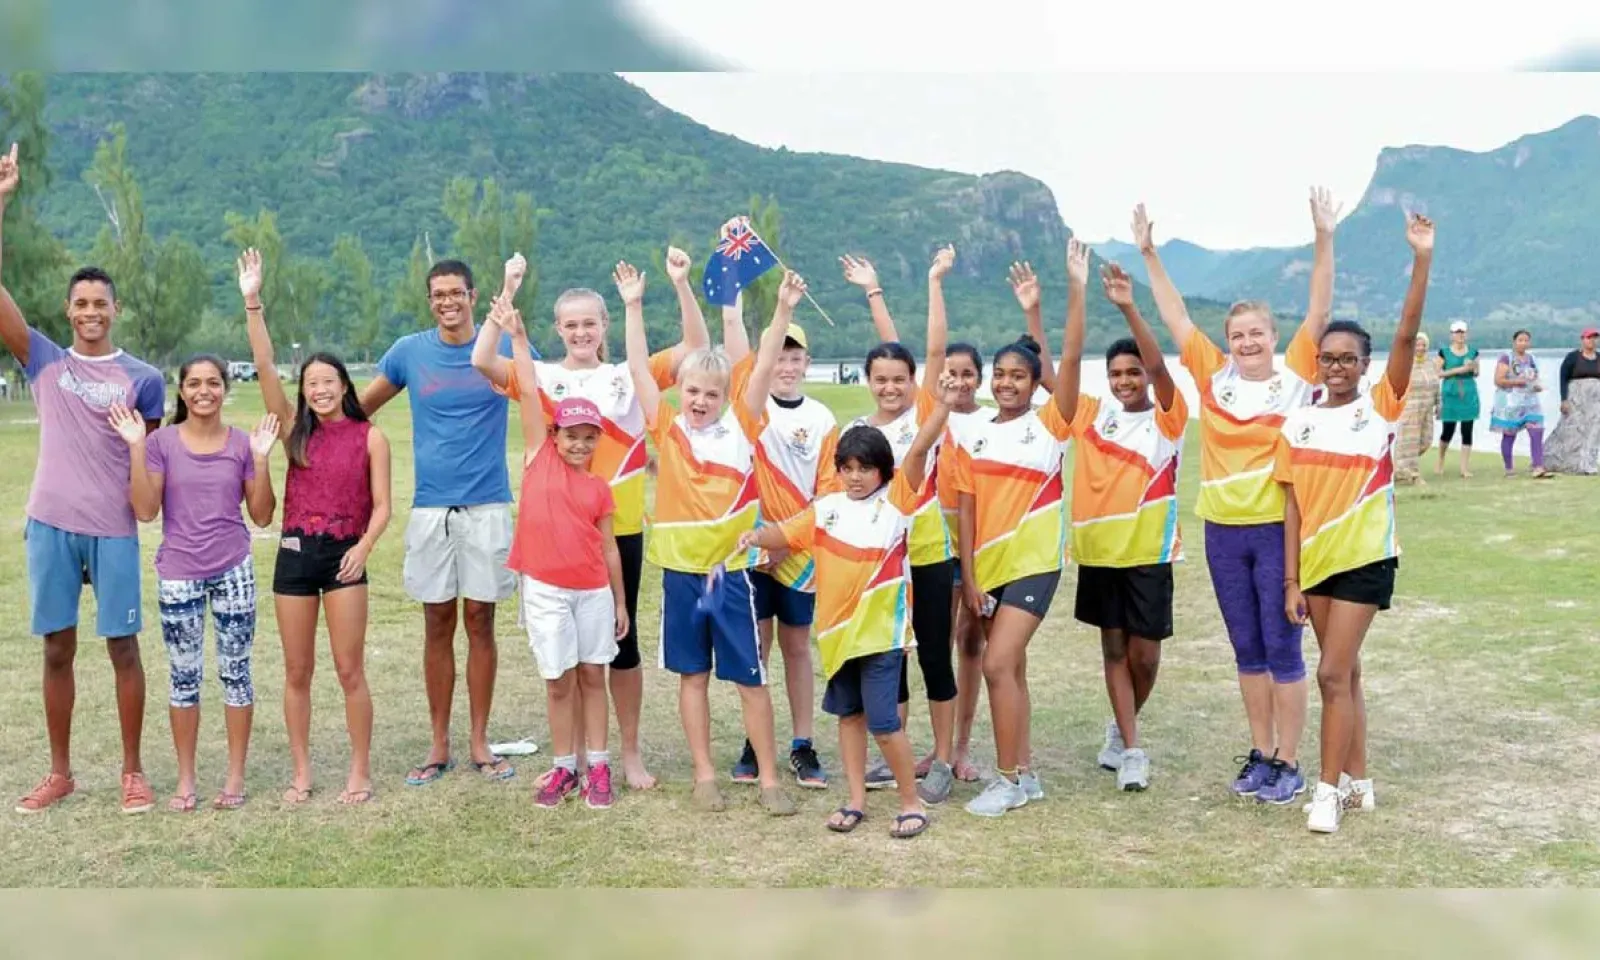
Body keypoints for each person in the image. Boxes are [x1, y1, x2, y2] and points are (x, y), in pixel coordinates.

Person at [476, 248, 709, 792]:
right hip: (560, 539)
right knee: (572, 652)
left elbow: (696, 349)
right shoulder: (541, 375)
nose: (581, 332)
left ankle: (627, 753)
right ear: (558, 329)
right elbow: (483, 360)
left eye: (590, 323)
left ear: (605, 325)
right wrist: (508, 290)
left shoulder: (629, 373)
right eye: (570, 324)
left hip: (617, 528)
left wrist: (680, 285)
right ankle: (577, 755)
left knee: (619, 646)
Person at [1136, 189, 1337, 800]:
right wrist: (1149, 255)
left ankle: (1289, 761)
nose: (1247, 342)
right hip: (1222, 532)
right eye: (1238, 334)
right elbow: (1175, 316)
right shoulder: (1213, 374)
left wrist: (1323, 237)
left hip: (1278, 531)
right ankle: (1261, 752)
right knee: (1246, 648)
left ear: (1274, 337)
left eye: (1256, 333)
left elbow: (1320, 310)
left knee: (1283, 646)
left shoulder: (1296, 375)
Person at [3, 142, 166, 815]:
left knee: (123, 646)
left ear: (115, 309)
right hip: (51, 524)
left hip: (112, 528)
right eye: (81, 302)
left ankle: (133, 771)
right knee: (57, 648)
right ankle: (60, 773)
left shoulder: (145, 379)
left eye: (101, 302)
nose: (91, 311)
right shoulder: (43, 359)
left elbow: (146, 470)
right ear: (68, 311)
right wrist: (1, 201)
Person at [737, 377, 957, 839]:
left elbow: (919, 450)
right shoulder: (827, 508)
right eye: (847, 467)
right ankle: (856, 799)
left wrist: (942, 406)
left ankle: (911, 802)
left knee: (884, 724)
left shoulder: (897, 504)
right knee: (849, 718)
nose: (855, 477)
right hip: (839, 638)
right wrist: (756, 536)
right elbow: (786, 533)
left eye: (866, 468)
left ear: (884, 471)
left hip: (880, 637)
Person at [620, 258, 798, 817]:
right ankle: (704, 775)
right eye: (691, 390)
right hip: (681, 576)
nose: (699, 401)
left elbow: (764, 363)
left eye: (710, 394)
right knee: (692, 676)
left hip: (733, 576)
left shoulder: (743, 422)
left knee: (751, 680)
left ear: (726, 396)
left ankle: (769, 779)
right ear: (680, 390)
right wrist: (632, 305)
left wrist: (783, 309)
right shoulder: (667, 426)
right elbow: (637, 368)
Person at [1278, 211, 1433, 833]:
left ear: (1366, 365)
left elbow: (1407, 333)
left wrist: (1421, 258)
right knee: (1347, 675)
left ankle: (1326, 793)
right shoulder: (1298, 423)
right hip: (1315, 566)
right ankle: (1360, 782)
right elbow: (1292, 505)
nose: (1337, 366)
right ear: (1317, 363)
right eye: (1328, 358)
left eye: (1349, 359)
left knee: (1330, 673)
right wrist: (1291, 580)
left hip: (1366, 559)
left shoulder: (1381, 409)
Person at [241, 248, 392, 807]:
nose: (320, 389)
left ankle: (360, 770)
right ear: (303, 390)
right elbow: (264, 366)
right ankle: (301, 772)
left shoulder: (370, 436)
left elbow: (384, 505)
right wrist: (253, 302)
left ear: (344, 385)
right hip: (295, 558)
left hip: (346, 558)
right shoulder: (293, 430)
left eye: (329, 381)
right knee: (296, 670)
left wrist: (365, 547)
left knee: (350, 670)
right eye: (311, 383)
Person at [362, 259, 519, 788]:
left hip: (488, 504)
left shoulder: (503, 345)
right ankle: (438, 742)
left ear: (473, 296)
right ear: (430, 301)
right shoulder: (409, 351)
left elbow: (547, 397)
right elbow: (359, 411)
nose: (447, 301)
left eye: (456, 292)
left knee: (480, 619)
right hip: (431, 507)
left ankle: (479, 740)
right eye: (438, 294)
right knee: (437, 621)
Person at [946, 240, 1085, 819]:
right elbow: (967, 512)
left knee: (998, 664)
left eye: (1018, 376)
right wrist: (970, 580)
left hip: (1034, 564)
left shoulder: (1050, 426)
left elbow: (1069, 363)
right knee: (1014, 670)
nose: (1006, 383)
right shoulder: (972, 432)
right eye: (1000, 375)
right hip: (987, 570)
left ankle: (1005, 781)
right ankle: (1024, 773)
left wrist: (1070, 292)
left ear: (1034, 383)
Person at [114, 355, 279, 812]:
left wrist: (261, 459)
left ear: (225, 388)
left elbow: (263, 515)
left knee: (236, 674)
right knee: (183, 677)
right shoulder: (161, 442)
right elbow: (145, 510)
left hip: (233, 571)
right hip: (179, 573)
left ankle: (235, 778)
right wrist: (135, 447)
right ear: (182, 391)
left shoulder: (242, 443)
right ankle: (186, 780)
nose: (204, 391)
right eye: (194, 383)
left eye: (212, 383)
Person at [488, 294, 628, 810]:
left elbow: (609, 549)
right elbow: (528, 389)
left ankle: (599, 765)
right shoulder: (537, 458)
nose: (579, 445)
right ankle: (565, 766)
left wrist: (619, 602)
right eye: (571, 435)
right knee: (558, 680)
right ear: (554, 434)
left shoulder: (599, 489)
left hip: (592, 592)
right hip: (546, 591)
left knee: (593, 675)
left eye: (589, 438)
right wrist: (518, 336)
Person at [837, 245, 960, 805]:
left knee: (934, 654)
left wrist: (928, 281)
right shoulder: (857, 431)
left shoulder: (920, 415)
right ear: (868, 380)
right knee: (891, 657)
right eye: (880, 379)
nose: (890, 387)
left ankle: (943, 758)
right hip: (879, 563)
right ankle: (898, 757)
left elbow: (929, 350)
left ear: (914, 383)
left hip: (927, 553)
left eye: (899, 380)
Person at [1064, 261, 1190, 793]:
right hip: (1099, 554)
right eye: (1116, 374)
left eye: (1133, 372)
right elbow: (1058, 372)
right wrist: (1047, 307)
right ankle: (1132, 747)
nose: (1125, 381)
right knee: (1114, 652)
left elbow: (1160, 367)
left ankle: (1122, 725)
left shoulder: (1168, 416)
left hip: (1148, 555)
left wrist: (1128, 307)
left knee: (1146, 655)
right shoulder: (1092, 415)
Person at [718, 282, 838, 791]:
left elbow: (828, 494)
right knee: (757, 647)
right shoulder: (749, 406)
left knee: (796, 647)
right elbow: (734, 337)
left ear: (807, 361)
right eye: (778, 356)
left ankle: (802, 743)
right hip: (751, 551)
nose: (785, 366)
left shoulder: (822, 419)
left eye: (794, 357)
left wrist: (785, 542)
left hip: (798, 553)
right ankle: (756, 738)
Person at [1491, 330, 1552, 479]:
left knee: (1537, 431)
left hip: (1531, 402)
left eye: (1526, 340)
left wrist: (1537, 386)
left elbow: (1534, 378)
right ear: (1514, 342)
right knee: (1509, 434)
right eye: (1520, 340)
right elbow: (1498, 380)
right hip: (1511, 403)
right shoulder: (1506, 358)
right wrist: (1516, 382)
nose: (1523, 343)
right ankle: (1509, 468)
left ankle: (1538, 467)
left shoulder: (1532, 359)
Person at [1546, 327, 1600, 475]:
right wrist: (1563, 399)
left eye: (1594, 338)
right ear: (1582, 340)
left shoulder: (1599, 357)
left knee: (1594, 432)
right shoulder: (1573, 357)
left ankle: (1588, 464)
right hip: (1576, 400)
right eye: (1589, 338)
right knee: (1571, 430)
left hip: (1595, 402)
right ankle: (1564, 462)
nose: (1592, 341)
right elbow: (1563, 378)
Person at [1394, 331, 1441, 485]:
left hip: (1427, 408)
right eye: (1417, 345)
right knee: (1410, 444)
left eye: (1423, 345)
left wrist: (1439, 404)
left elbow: (1436, 385)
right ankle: (1413, 475)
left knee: (1426, 441)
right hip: (1410, 409)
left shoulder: (1431, 364)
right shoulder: (1405, 363)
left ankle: (1398, 469)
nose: (1420, 348)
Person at [1435, 320, 1480, 478]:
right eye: (1457, 332)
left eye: (1462, 332)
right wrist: (1459, 369)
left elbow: (1476, 373)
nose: (1460, 335)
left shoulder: (1473, 352)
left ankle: (1464, 468)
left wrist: (1472, 367)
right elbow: (1438, 373)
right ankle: (1440, 459)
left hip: (1468, 393)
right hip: (1450, 393)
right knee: (1448, 429)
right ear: (1452, 335)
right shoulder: (1444, 352)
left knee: (1467, 430)